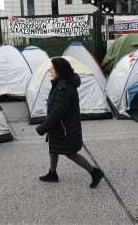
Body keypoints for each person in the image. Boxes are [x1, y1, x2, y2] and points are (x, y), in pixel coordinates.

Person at [36, 57, 104, 188]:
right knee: (53, 148)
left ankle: (94, 172)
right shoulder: (61, 83)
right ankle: (52, 173)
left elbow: (57, 112)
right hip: (60, 126)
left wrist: (42, 127)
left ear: (60, 71)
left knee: (70, 153)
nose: (51, 70)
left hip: (65, 128)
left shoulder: (64, 88)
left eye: (53, 69)